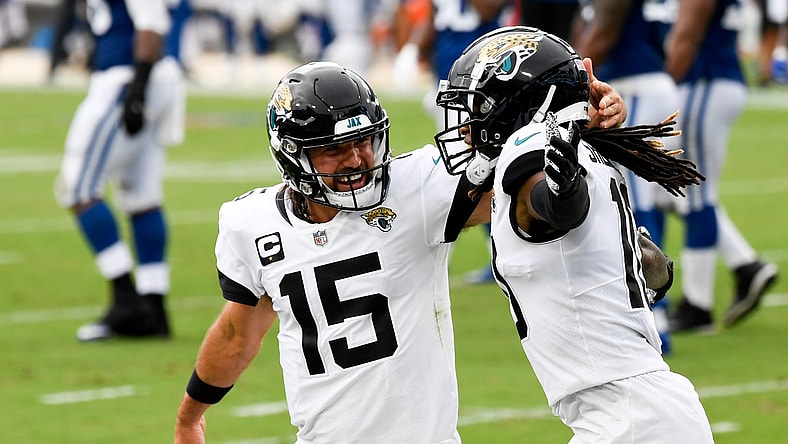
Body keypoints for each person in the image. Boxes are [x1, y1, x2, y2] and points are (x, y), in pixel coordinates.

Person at [174, 61, 626, 442]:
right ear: (291, 154)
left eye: (362, 142)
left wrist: (579, 119)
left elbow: (519, 180)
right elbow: (237, 335)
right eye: (333, 149)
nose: (355, 160)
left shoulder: (414, 190)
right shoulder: (249, 223)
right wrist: (189, 415)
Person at [435, 26, 713, 442]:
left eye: (479, 110)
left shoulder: (531, 147)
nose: (465, 129)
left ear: (520, 107)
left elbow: (557, 205)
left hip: (629, 418)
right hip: (642, 409)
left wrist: (562, 192)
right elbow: (654, 272)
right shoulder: (588, 152)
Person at [54, 0, 189, 341]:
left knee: (76, 188)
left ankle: (126, 300)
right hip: (144, 78)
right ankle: (154, 307)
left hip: (126, 78)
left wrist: (138, 89)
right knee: (140, 195)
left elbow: (150, 22)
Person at [665, 0, 778, 331]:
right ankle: (745, 264)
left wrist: (665, 89)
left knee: (694, 194)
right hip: (711, 80)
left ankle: (697, 304)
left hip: (706, 79)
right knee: (667, 189)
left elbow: (687, 34)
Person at [572, 0, 677, 352]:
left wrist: (563, 80)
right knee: (643, 198)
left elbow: (603, 31)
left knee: (632, 201)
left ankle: (654, 317)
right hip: (640, 80)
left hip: (634, 83)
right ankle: (654, 307)